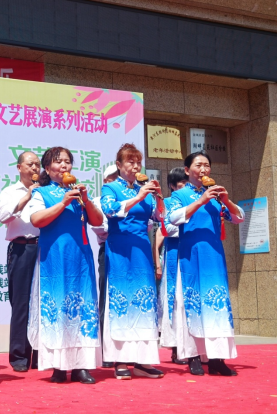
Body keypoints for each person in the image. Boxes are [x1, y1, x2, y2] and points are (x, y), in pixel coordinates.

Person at [27, 147, 103, 384]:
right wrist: (62, 203)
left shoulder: (79, 192)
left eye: (67, 162)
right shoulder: (41, 193)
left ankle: (82, 366)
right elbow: (36, 219)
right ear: (47, 168)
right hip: (54, 258)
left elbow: (98, 221)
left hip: (80, 258)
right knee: (57, 308)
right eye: (58, 162)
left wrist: (86, 200)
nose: (64, 166)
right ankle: (58, 366)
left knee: (82, 307)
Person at [167, 151, 244, 376]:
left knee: (216, 305)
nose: (203, 169)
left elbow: (238, 217)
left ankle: (217, 358)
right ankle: (193, 356)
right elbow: (173, 218)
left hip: (214, 257)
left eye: (207, 165)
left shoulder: (217, 196)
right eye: (198, 165)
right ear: (187, 170)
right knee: (191, 304)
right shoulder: (180, 195)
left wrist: (226, 200)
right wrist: (201, 201)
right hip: (190, 257)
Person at [101, 143, 165, 380]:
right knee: (121, 300)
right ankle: (120, 360)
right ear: (119, 165)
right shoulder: (111, 188)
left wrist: (158, 197)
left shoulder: (144, 189)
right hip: (120, 249)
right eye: (130, 161)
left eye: (138, 162)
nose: (136, 166)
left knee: (143, 300)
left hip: (141, 249)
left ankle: (142, 361)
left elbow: (160, 217)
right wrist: (139, 197)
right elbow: (109, 210)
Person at [0, 151, 41, 372]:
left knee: (42, 301)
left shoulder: (45, 190)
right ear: (19, 167)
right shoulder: (10, 191)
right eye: (30, 164)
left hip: (43, 248)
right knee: (21, 302)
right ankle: (19, 356)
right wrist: (27, 198)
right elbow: (2, 216)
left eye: (37, 165)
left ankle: (41, 355)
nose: (34, 168)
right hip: (21, 248)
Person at [154, 167, 188, 365]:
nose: (185, 187)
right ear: (172, 186)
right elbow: (166, 229)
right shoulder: (167, 203)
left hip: (194, 254)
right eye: (181, 184)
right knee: (175, 299)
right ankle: (176, 348)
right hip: (175, 254)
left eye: (187, 183)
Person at [90, 164, 118, 369]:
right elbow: (98, 227)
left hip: (132, 250)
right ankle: (106, 351)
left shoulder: (135, 196)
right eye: (114, 177)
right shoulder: (98, 201)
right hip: (108, 249)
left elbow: (148, 224)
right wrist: (123, 227)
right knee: (106, 298)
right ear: (107, 180)